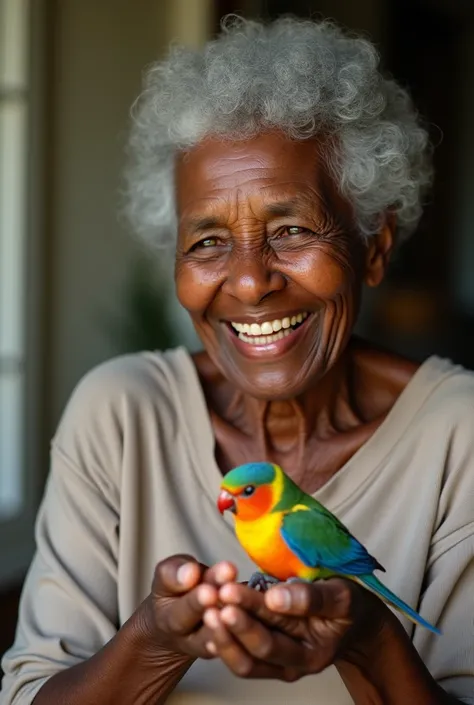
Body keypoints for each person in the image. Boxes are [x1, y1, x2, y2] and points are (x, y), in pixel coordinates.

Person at [1, 15, 473, 705]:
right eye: (208, 241)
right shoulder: (119, 413)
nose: (250, 282)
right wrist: (156, 642)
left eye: (291, 229)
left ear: (373, 248)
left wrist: (371, 640)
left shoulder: (461, 432)